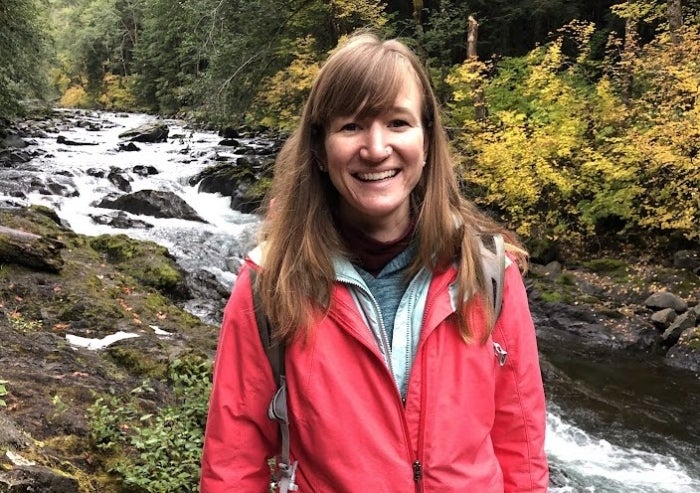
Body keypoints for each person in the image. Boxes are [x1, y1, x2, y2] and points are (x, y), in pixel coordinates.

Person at [200, 32, 549, 492]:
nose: (376, 148)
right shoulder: (272, 282)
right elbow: (232, 460)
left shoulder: (486, 271)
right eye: (351, 127)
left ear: (427, 141)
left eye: (398, 123)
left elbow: (519, 443)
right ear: (321, 151)